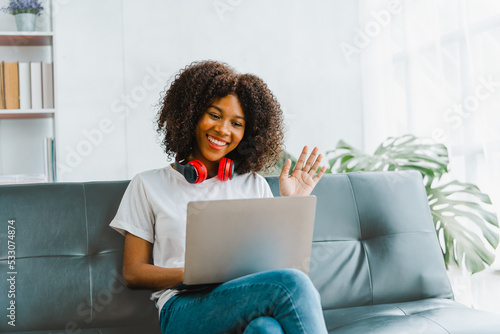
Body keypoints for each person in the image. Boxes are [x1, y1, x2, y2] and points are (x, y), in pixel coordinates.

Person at [110, 60, 328, 333]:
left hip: (243, 297)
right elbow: (133, 273)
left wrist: (293, 204)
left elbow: (277, 266)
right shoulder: (147, 184)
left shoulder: (253, 184)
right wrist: (194, 275)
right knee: (292, 285)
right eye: (214, 115)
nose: (223, 130)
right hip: (183, 308)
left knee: (265, 329)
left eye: (236, 123)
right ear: (190, 115)